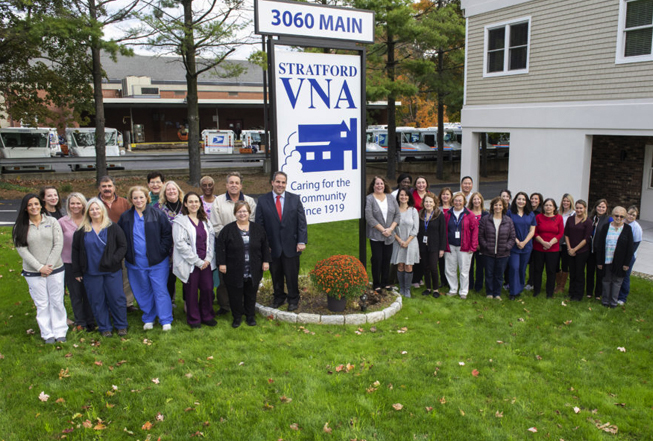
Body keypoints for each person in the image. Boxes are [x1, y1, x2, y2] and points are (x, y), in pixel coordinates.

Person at [13, 194, 67, 344]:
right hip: (33, 272)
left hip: (55, 269)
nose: (34, 207)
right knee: (42, 303)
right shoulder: (20, 226)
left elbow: (58, 244)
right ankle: (47, 333)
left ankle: (60, 331)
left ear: (41, 205)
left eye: (36, 204)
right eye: (30, 205)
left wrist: (48, 266)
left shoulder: (52, 221)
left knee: (56, 301)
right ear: (25, 208)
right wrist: (39, 267)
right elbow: (21, 249)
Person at [119, 186, 174, 331]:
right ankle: (149, 317)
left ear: (147, 198)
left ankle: (165, 319)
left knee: (160, 289)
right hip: (135, 262)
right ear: (131, 199)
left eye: (141, 197)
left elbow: (167, 235)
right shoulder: (125, 217)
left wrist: (161, 252)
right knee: (142, 290)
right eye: (135, 198)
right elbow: (121, 239)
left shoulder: (158, 214)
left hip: (157, 261)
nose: (138, 200)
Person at [71, 198, 128, 338]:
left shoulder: (112, 227)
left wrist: (114, 260)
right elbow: (76, 251)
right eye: (92, 209)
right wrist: (77, 271)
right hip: (91, 272)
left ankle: (121, 325)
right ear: (88, 212)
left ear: (102, 210)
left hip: (111, 271)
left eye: (97, 208)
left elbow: (123, 246)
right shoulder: (82, 231)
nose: (95, 211)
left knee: (117, 299)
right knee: (97, 300)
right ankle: (104, 327)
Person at [255, 171, 308, 311]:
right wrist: (264, 246)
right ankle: (279, 297)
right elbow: (259, 226)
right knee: (276, 275)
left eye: (283, 182)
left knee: (292, 276)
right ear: (272, 182)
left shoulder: (295, 199)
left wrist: (301, 241)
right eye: (278, 182)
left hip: (291, 246)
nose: (280, 185)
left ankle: (293, 299)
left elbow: (301, 223)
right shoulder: (262, 200)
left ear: (286, 184)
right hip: (273, 247)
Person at [217, 201, 271, 327]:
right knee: (235, 294)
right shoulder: (228, 230)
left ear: (249, 213)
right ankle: (237, 317)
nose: (242, 214)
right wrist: (222, 263)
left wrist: (266, 261)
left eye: (244, 211)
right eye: (239, 211)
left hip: (253, 268)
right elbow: (220, 247)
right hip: (234, 269)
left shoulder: (258, 229)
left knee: (251, 294)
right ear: (235, 213)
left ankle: (250, 316)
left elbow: (265, 246)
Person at [211, 172, 257, 315]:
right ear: (226, 185)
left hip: (246, 246)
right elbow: (215, 225)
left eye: (237, 183)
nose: (234, 185)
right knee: (224, 278)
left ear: (241, 185)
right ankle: (225, 306)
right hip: (225, 246)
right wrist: (230, 239)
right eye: (231, 182)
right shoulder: (218, 201)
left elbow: (253, 223)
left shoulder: (250, 201)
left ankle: (243, 304)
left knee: (245, 275)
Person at [172, 192, 216, 328]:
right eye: (190, 202)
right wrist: (197, 261)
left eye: (196, 201)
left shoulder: (205, 220)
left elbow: (211, 239)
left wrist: (208, 258)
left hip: (206, 263)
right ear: (185, 204)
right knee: (191, 291)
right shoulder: (180, 221)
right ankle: (194, 319)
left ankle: (207, 316)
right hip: (190, 263)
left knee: (208, 289)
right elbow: (180, 244)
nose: (194, 204)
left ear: (200, 203)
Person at [98, 175, 137, 312]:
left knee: (125, 274)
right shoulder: (94, 204)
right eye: (104, 186)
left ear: (114, 187)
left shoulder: (124, 203)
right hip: (101, 245)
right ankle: (108, 303)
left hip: (123, 243)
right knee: (107, 274)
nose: (107, 189)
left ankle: (127, 303)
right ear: (99, 188)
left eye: (109, 186)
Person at [58, 193, 96, 332]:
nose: (75, 206)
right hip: (69, 262)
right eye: (72, 203)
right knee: (76, 294)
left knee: (89, 293)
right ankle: (81, 322)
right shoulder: (62, 222)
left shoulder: (90, 221)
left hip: (89, 263)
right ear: (68, 205)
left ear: (83, 205)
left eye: (78, 203)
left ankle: (90, 320)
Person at [365, 176, 400, 293]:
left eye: (381, 183)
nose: (379, 186)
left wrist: (390, 229)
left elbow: (397, 215)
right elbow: (369, 217)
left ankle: (385, 283)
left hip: (389, 235)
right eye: (377, 184)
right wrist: (382, 230)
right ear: (373, 186)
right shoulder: (369, 199)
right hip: (376, 235)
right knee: (377, 259)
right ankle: (376, 284)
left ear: (384, 185)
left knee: (386, 259)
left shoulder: (390, 198)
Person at [596, 206, 634, 308]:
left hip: (620, 262)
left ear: (624, 217)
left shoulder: (628, 229)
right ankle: (605, 301)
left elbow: (630, 249)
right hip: (607, 259)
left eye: (621, 216)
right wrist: (599, 262)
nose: (619, 218)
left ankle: (613, 303)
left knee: (617, 282)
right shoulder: (606, 227)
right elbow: (600, 245)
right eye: (616, 216)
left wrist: (626, 264)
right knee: (606, 280)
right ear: (613, 216)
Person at [478, 197, 515, 300]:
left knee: (499, 275)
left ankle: (497, 294)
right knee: (489, 274)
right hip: (488, 252)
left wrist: (506, 247)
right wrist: (486, 246)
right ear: (492, 206)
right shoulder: (486, 219)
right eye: (495, 205)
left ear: (503, 207)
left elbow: (512, 237)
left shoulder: (508, 221)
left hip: (503, 254)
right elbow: (481, 236)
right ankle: (489, 293)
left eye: (500, 205)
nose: (497, 207)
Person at [444, 192, 478, 299]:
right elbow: (444, 230)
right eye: (455, 200)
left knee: (464, 270)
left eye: (460, 200)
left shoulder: (470, 214)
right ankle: (453, 289)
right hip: (450, 245)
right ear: (452, 201)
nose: (458, 202)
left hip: (465, 247)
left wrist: (473, 246)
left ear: (464, 202)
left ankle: (463, 291)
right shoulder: (448, 214)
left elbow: (475, 231)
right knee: (450, 269)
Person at [157, 180, 185, 306]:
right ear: (164, 192)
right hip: (167, 248)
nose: (171, 191)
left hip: (184, 247)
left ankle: (187, 302)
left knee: (187, 276)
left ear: (178, 191)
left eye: (174, 189)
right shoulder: (158, 208)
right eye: (168, 189)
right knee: (169, 277)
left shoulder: (186, 206)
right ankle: (170, 302)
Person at [507, 192, 536, 300]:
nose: (521, 201)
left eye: (523, 199)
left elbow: (532, 230)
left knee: (522, 269)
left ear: (526, 201)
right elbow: (508, 228)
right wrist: (517, 241)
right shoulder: (510, 213)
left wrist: (524, 242)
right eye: (519, 199)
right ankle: (513, 291)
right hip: (514, 245)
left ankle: (519, 289)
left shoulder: (530, 214)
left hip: (526, 246)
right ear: (515, 200)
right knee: (514, 267)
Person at [532, 198, 564, 298]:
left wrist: (550, 243)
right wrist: (543, 242)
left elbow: (560, 233)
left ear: (554, 207)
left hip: (553, 249)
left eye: (550, 205)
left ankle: (549, 292)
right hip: (538, 247)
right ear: (543, 207)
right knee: (538, 270)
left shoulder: (559, 218)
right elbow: (535, 232)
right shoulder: (538, 217)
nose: (548, 207)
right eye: (546, 205)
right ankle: (536, 290)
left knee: (551, 271)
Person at [391, 188, 420, 298]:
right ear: (398, 197)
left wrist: (407, 241)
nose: (403, 197)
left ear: (409, 197)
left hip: (411, 242)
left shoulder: (413, 211)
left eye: (406, 195)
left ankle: (407, 289)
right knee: (400, 265)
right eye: (401, 195)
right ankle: (402, 288)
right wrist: (399, 240)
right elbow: (392, 228)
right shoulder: (394, 211)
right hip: (398, 241)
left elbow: (416, 229)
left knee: (408, 266)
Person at [417, 193, 446, 298]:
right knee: (425, 267)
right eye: (426, 201)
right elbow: (418, 231)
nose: (428, 204)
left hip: (435, 245)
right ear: (423, 203)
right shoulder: (420, 214)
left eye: (430, 202)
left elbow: (443, 232)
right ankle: (428, 288)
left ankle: (436, 289)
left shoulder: (439, 214)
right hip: (422, 245)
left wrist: (442, 248)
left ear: (434, 203)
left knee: (433, 267)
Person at [564, 200, 592, 301]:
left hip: (582, 251)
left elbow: (586, 239)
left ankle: (578, 295)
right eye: (577, 208)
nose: (579, 210)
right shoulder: (570, 219)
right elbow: (566, 234)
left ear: (585, 209)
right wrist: (569, 248)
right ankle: (571, 292)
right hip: (570, 249)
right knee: (572, 272)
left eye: (581, 208)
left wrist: (575, 249)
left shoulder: (588, 221)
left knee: (579, 273)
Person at [586, 199, 611, 300]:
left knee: (600, 273)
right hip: (590, 250)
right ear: (595, 207)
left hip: (601, 251)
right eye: (599, 206)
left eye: (603, 207)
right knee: (590, 271)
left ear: (606, 209)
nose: (601, 209)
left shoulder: (609, 220)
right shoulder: (591, 218)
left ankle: (598, 293)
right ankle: (589, 291)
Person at [618, 206, 643, 305]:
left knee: (625, 275)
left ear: (636, 217)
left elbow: (635, 244)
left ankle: (622, 297)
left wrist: (627, 258)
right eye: (629, 214)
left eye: (633, 215)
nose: (631, 216)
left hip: (630, 255)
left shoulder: (636, 228)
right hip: (619, 253)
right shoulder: (621, 222)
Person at [467, 192, 488, 292]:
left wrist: (481, 244)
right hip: (469, 243)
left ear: (481, 201)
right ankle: (469, 285)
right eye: (474, 199)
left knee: (480, 266)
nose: (476, 201)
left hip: (481, 245)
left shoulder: (486, 214)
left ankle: (478, 286)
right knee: (469, 266)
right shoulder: (467, 213)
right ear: (471, 201)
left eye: (478, 199)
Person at [555, 193, 575, 294]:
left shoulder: (574, 214)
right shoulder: (558, 213)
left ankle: (562, 287)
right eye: (564, 201)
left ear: (571, 202)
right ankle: (557, 285)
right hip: (557, 242)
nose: (565, 203)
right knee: (555, 263)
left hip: (567, 242)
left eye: (568, 201)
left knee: (565, 265)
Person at [525, 192, 544, 291]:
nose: (534, 200)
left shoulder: (541, 213)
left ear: (540, 201)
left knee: (533, 263)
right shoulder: (526, 211)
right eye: (532, 198)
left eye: (536, 199)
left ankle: (531, 282)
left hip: (536, 240)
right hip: (526, 239)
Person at [437, 187, 453, 289]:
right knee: (441, 261)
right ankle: (443, 280)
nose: (445, 196)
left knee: (451, 262)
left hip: (451, 237)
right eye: (443, 194)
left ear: (451, 196)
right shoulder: (437, 209)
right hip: (439, 237)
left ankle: (451, 281)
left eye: (447, 194)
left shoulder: (454, 208)